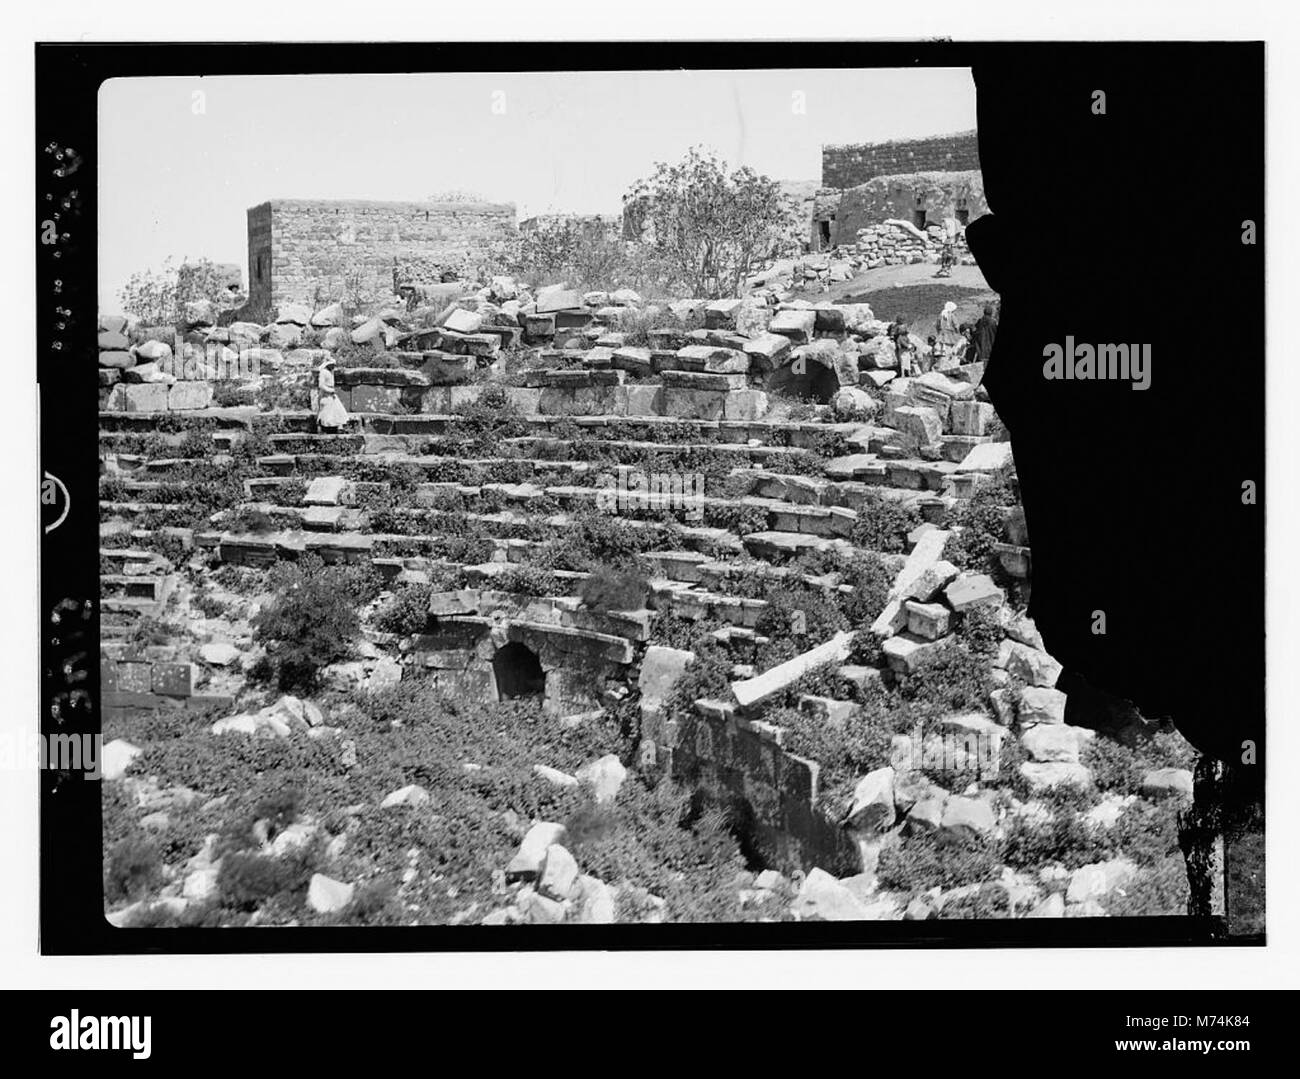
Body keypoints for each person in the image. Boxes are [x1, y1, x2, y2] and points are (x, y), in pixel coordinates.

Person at [317, 357, 350, 430]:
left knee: (338, 408)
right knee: (325, 410)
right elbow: (321, 385)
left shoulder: (331, 371)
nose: (333, 366)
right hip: (325, 393)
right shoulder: (323, 372)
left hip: (332, 392)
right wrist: (329, 390)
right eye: (332, 365)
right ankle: (322, 426)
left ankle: (339, 425)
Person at [935, 301, 963, 370]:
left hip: (941, 336)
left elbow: (937, 325)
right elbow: (956, 326)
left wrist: (939, 332)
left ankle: (941, 367)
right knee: (949, 352)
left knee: (941, 352)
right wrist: (957, 333)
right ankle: (948, 367)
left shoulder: (941, 315)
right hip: (949, 336)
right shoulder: (951, 316)